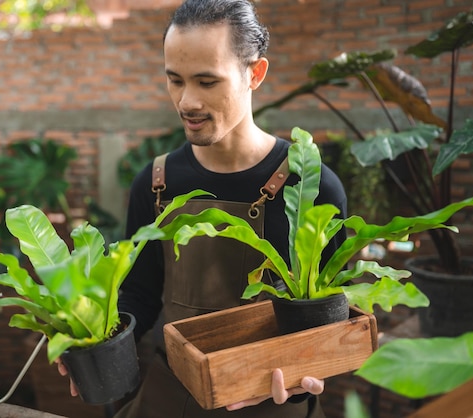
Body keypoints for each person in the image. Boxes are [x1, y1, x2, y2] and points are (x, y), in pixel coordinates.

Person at [58, 0, 347, 416]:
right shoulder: (155, 184)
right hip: (170, 398)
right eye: (175, 80)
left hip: (273, 402)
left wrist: (310, 374)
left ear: (255, 73)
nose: (186, 101)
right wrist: (90, 339)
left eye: (207, 82)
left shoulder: (311, 189)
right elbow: (138, 295)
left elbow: (333, 316)